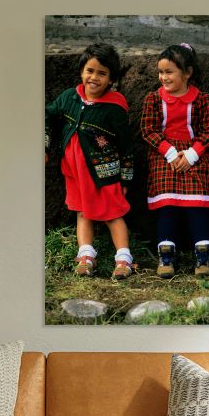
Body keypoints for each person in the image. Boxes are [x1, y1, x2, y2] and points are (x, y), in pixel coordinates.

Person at [140, 43, 209, 278]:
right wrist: (170, 153)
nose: (163, 77)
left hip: (195, 156)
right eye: (161, 72)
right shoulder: (153, 100)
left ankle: (203, 254)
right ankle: (167, 255)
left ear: (187, 72)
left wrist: (191, 155)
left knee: (196, 204)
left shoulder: (202, 100)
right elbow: (148, 130)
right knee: (167, 205)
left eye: (169, 72)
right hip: (165, 156)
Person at [45, 43, 135, 278]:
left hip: (104, 174)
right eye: (90, 71)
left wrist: (125, 177)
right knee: (82, 212)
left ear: (111, 79)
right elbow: (47, 113)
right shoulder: (69, 98)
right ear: (81, 72)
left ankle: (124, 258)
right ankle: (86, 256)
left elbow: (126, 145)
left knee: (113, 214)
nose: (94, 78)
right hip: (74, 171)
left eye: (102, 73)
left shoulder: (114, 108)